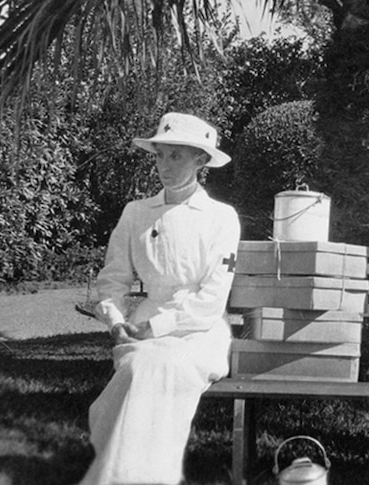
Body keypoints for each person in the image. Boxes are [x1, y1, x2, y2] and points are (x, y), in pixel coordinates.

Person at [79, 112, 241, 485]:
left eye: (176, 156)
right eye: (159, 155)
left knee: (160, 366)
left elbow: (213, 297)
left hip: (200, 333)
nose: (164, 166)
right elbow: (112, 280)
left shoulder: (221, 217)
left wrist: (159, 327)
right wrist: (117, 321)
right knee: (142, 367)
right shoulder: (137, 213)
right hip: (140, 331)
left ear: (201, 161)